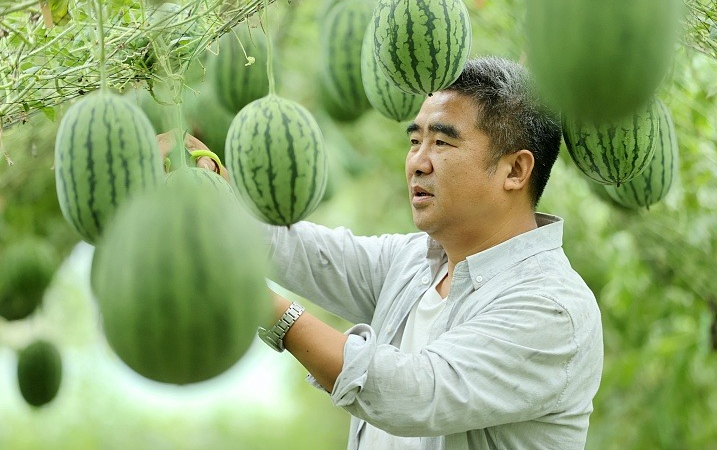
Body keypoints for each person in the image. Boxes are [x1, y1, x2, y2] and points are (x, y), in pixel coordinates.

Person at [165, 56, 603, 449]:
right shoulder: (417, 263)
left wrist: (264, 306)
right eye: (416, 141)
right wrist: (205, 176)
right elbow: (299, 250)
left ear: (515, 170)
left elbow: (414, 394)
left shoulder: (552, 307)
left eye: (443, 143)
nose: (418, 162)